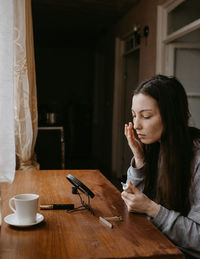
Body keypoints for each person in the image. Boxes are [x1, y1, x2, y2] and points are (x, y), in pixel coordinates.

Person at [121, 75, 200, 259]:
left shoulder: (196, 158)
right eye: (134, 115)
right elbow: (133, 203)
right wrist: (139, 160)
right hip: (160, 245)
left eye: (146, 116)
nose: (137, 125)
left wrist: (152, 209)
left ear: (170, 116)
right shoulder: (157, 145)